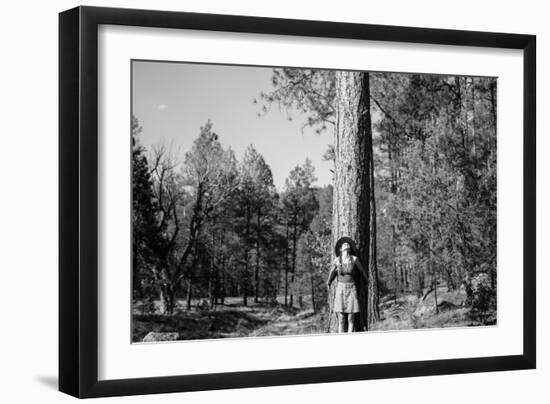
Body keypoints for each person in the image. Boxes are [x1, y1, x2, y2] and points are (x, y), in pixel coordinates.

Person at [326, 236, 368, 333]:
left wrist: (366, 280)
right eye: (344, 248)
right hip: (340, 288)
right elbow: (332, 272)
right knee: (341, 318)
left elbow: (361, 270)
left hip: (351, 288)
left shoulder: (354, 259)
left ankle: (350, 336)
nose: (346, 249)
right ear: (341, 250)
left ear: (349, 249)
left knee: (351, 317)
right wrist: (328, 282)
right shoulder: (337, 260)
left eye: (347, 248)